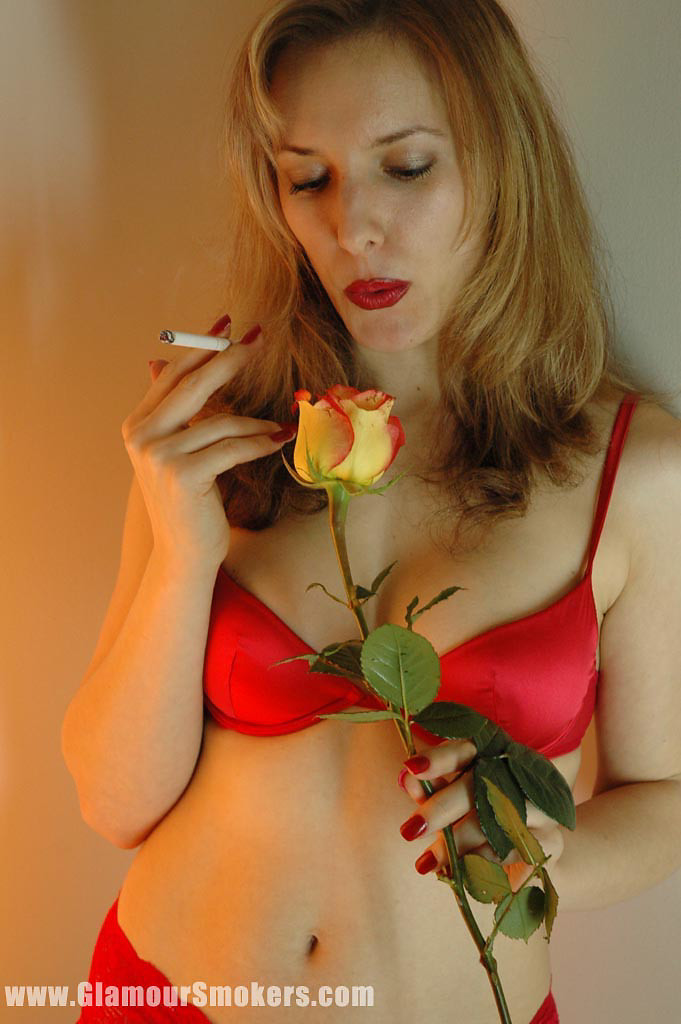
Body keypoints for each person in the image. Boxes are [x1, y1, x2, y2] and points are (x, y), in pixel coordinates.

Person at [61, 1, 681, 1022]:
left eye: (406, 166)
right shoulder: (216, 436)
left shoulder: (634, 468)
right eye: (309, 179)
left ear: (502, 164)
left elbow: (662, 800)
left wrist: (548, 855)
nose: (352, 229)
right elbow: (113, 804)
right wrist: (180, 551)